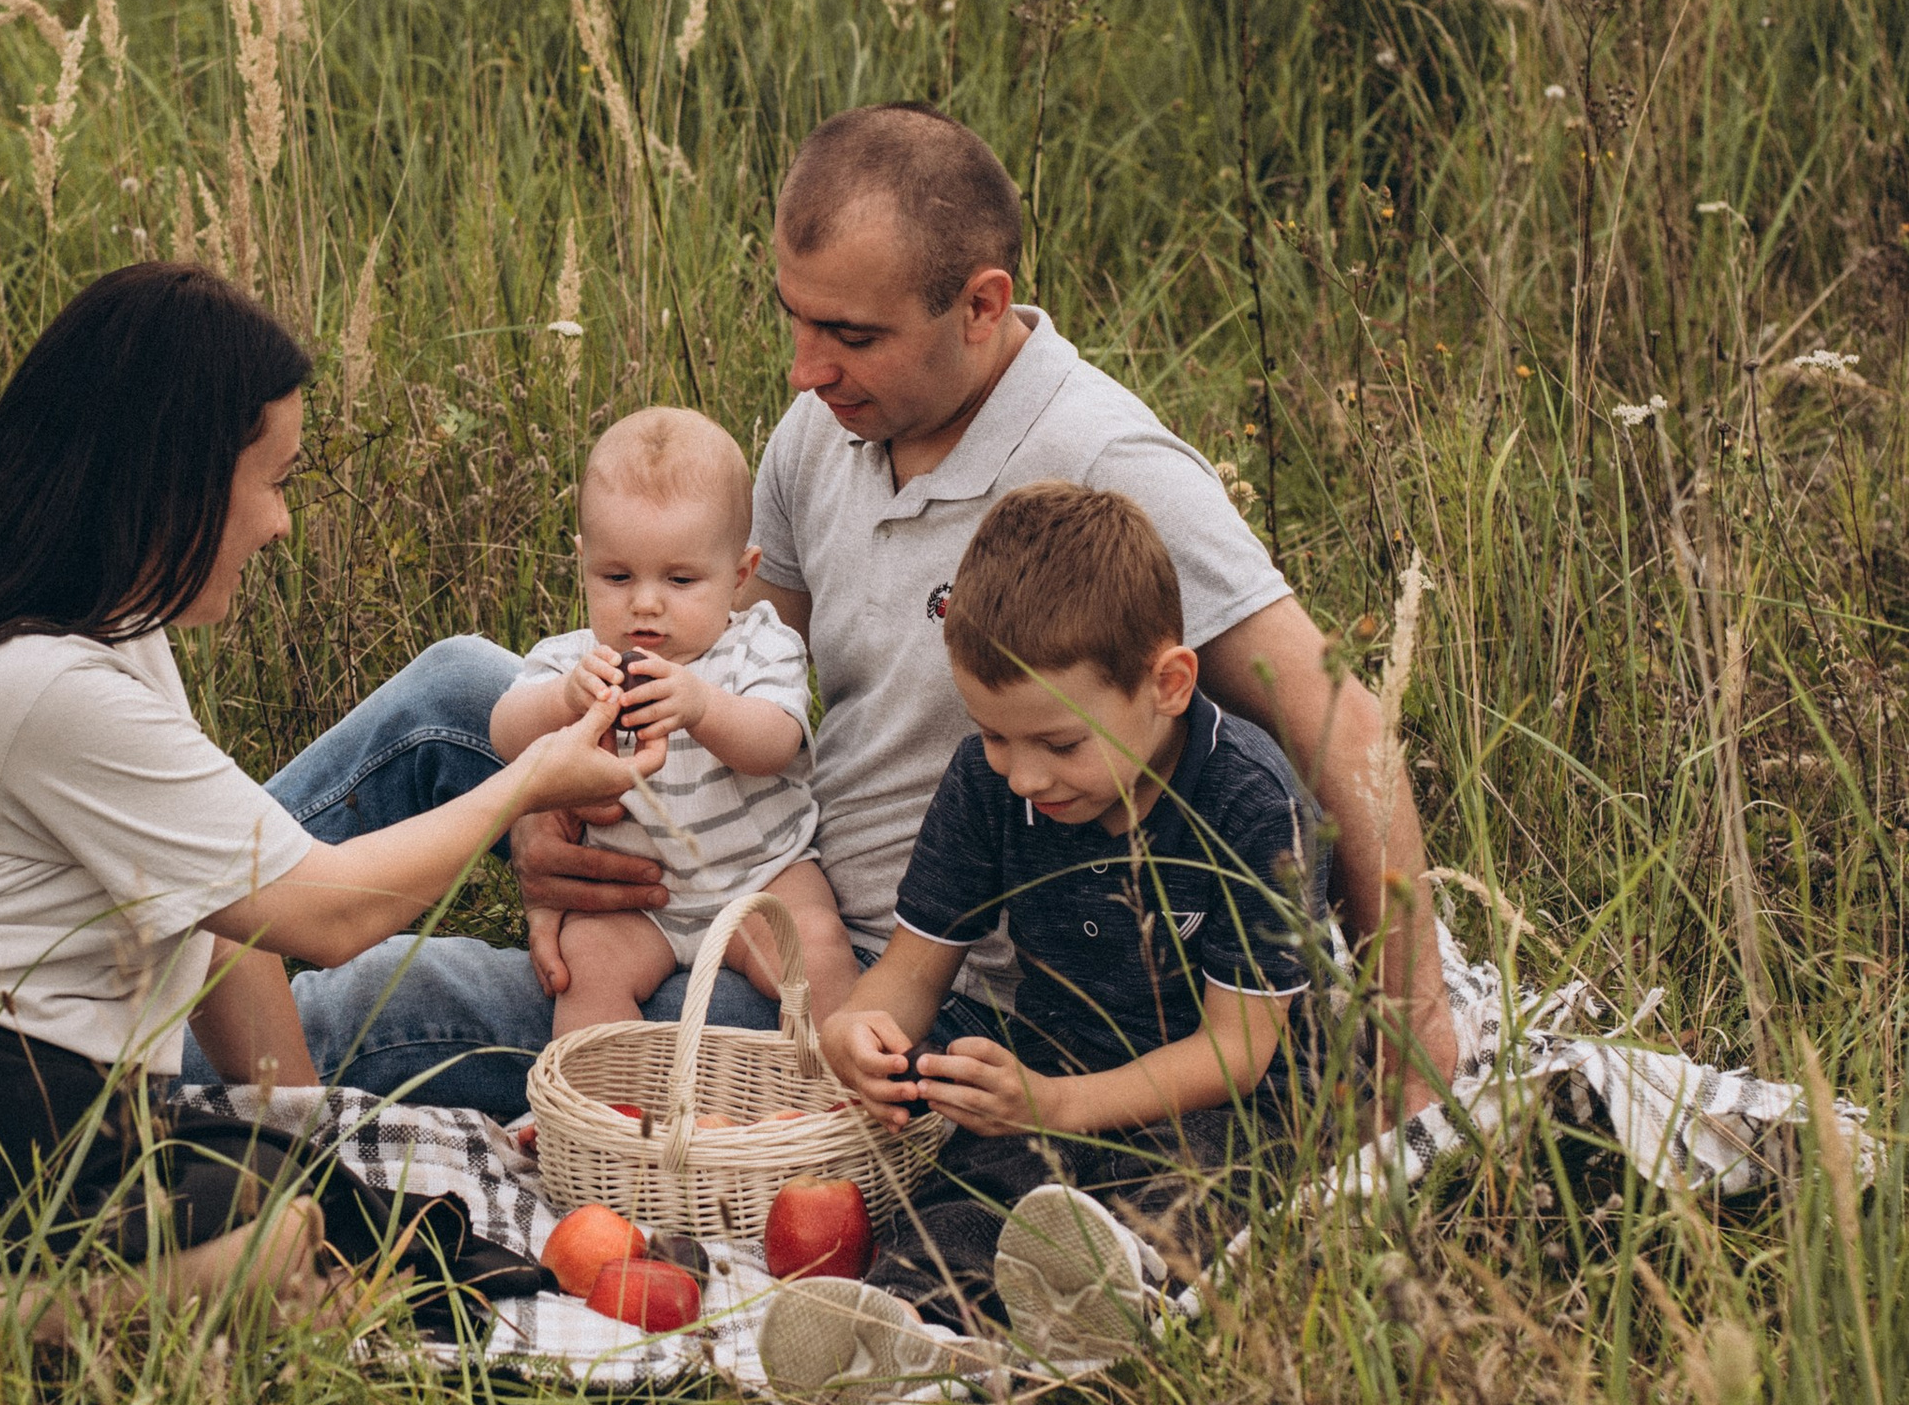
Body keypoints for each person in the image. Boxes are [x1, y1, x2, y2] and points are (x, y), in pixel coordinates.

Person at [274, 106, 1456, 1118]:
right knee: (456, 688)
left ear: (980, 305)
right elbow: (727, 667)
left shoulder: (1106, 462)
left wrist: (1416, 1022)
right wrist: (555, 819)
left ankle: (194, 1041)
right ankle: (192, 895)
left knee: (412, 1004)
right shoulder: (826, 427)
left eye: (849, 334)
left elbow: (1339, 723)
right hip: (763, 851)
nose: (803, 367)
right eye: (794, 317)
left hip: (912, 968)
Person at [0, 262, 659, 1351]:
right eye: (271, 481)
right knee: (275, 1237)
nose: (280, 524)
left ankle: (68, 1287)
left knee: (309, 1211)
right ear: (175, 480)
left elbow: (219, 915)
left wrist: (295, 1132)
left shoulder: (106, 635)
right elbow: (321, 912)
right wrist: (529, 779)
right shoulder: (43, 684)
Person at [763, 481, 1324, 1405]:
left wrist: (1059, 1106)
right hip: (1055, 1062)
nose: (1024, 776)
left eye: (1061, 745)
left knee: (1196, 1186)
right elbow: (911, 971)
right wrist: (858, 1030)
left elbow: (1239, 1050)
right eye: (992, 736)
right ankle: (904, 1335)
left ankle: (1109, 1301)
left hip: (1228, 1098)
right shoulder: (992, 787)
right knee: (967, 1191)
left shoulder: (1249, 805)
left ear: (1169, 685)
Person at [486, 406, 859, 1036]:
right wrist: (564, 701)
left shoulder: (758, 646)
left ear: (740, 576)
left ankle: (836, 1081)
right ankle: (601, 1093)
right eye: (616, 576)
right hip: (637, 904)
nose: (645, 603)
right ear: (583, 562)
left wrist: (704, 707)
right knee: (584, 970)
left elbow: (776, 742)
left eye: (681, 579)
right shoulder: (573, 662)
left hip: (762, 879)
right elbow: (504, 732)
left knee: (816, 951)